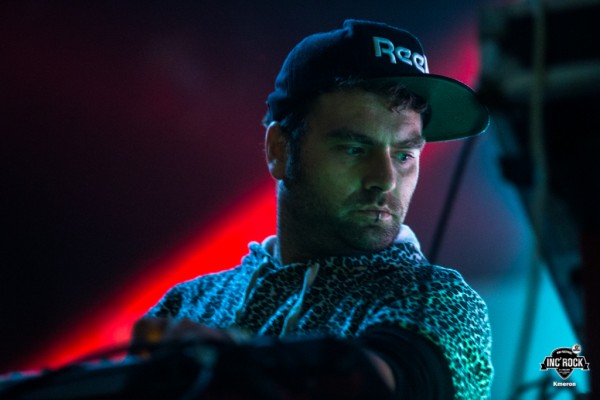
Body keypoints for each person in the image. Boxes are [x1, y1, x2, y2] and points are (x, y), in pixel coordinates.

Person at [132, 19, 493, 399]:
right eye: (354, 149)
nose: (385, 180)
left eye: (404, 155)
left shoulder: (439, 299)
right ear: (279, 150)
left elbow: (391, 383)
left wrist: (234, 364)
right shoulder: (188, 305)